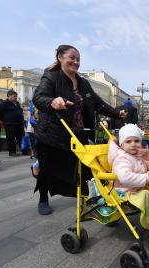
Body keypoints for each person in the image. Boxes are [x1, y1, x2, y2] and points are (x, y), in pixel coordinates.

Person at [32, 44, 127, 215]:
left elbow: (97, 103)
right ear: (60, 58)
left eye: (78, 59)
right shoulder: (51, 77)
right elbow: (38, 97)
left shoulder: (83, 82)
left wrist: (116, 113)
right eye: (72, 58)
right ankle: (43, 198)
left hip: (77, 133)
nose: (76, 62)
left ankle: (93, 200)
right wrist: (52, 102)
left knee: (86, 169)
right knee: (48, 169)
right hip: (52, 134)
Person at [0, 90, 24, 156]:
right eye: (14, 96)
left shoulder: (17, 103)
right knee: (11, 138)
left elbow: (20, 111)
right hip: (9, 124)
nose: (16, 98)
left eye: (16, 96)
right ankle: (12, 152)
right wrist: (3, 119)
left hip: (19, 123)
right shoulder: (4, 103)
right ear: (9, 96)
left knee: (20, 137)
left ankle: (23, 150)